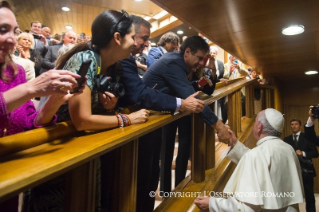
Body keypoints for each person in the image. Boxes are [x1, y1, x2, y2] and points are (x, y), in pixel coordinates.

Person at [23, 9, 150, 212]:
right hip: (61, 152)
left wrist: (110, 107)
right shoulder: (85, 59)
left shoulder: (115, 66)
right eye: (133, 37)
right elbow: (81, 120)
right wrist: (126, 119)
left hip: (85, 150)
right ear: (117, 38)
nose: (136, 43)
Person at [0, 1, 85, 211]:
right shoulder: (25, 81)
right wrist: (31, 89)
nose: (12, 39)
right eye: (3, 30)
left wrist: (55, 100)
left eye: (14, 30)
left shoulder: (15, 72)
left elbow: (29, 123)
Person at [118, 15, 205, 212]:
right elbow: (141, 94)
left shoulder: (128, 60)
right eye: (143, 38)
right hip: (137, 123)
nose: (147, 43)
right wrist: (181, 103)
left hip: (151, 117)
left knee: (150, 177)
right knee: (140, 181)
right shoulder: (169, 60)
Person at [143, 36, 229, 197]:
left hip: (164, 113)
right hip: (149, 119)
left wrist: (198, 84)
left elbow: (181, 87)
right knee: (149, 173)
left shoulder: (179, 62)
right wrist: (219, 126)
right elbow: (193, 100)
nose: (202, 63)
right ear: (188, 52)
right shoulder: (173, 62)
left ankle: (174, 194)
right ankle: (166, 195)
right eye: (200, 58)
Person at [194, 108, 304, 212]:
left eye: (255, 121)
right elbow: (262, 163)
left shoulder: (255, 155)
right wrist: (235, 144)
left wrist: (212, 203)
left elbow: (245, 209)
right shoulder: (289, 149)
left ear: (259, 127)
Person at [284, 118, 318, 212]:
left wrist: (303, 153)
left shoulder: (307, 138)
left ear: (300, 126)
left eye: (296, 124)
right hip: (291, 171)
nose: (294, 126)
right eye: (292, 124)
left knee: (309, 195)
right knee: (291, 195)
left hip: (306, 171)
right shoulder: (287, 139)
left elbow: (315, 153)